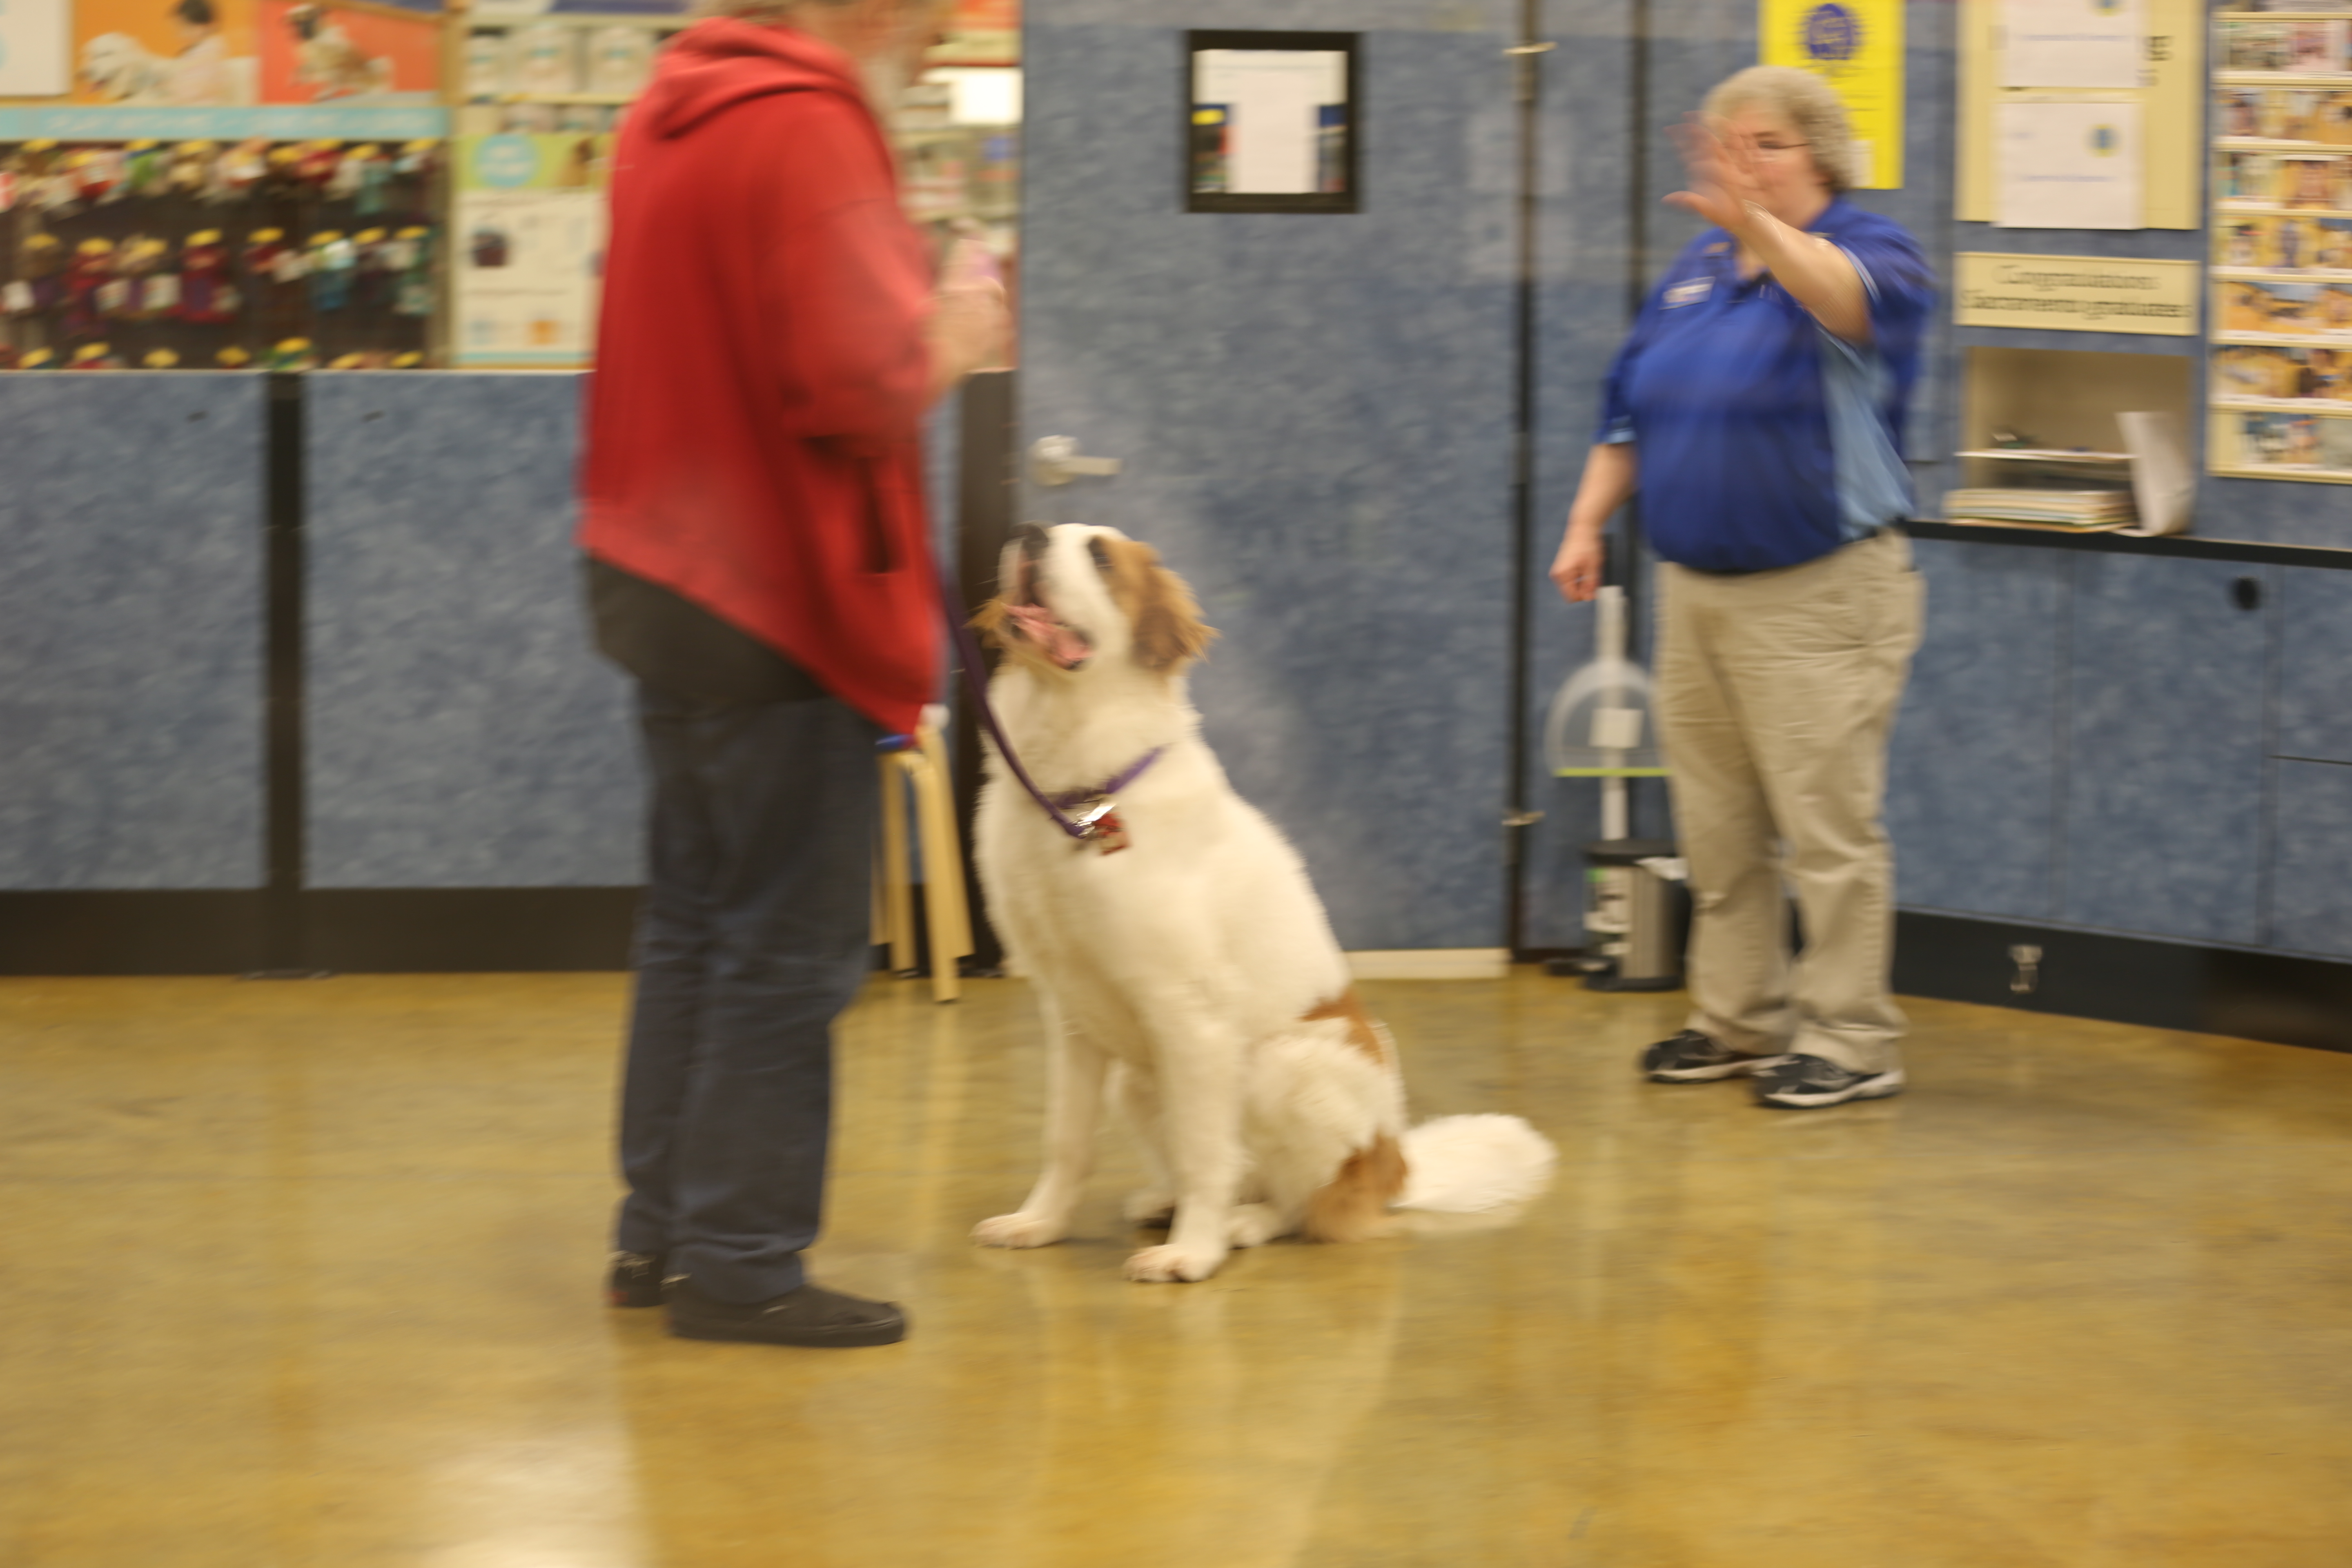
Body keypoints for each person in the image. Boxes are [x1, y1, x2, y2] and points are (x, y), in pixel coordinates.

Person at [578, 0, 1007, 1346]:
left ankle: (661, 1235)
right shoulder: (812, 123)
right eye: (930, 22)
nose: (936, 46)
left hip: (663, 580)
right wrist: (956, 330)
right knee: (786, 947)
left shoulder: (675, 106)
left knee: (697, 919)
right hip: (778, 601)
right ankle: (742, 1263)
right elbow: (853, 384)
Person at [1549, 65, 1933, 1110]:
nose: (1744, 162)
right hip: (1696, 591)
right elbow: (1629, 410)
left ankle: (1853, 1039)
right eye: (1730, 144)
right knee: (1717, 828)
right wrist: (1587, 522)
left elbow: (1841, 301)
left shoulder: (1872, 250)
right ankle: (1738, 1019)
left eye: (1768, 143)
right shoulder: (1697, 270)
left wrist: (1758, 225)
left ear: (1823, 155)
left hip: (1819, 592)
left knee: (1827, 827)